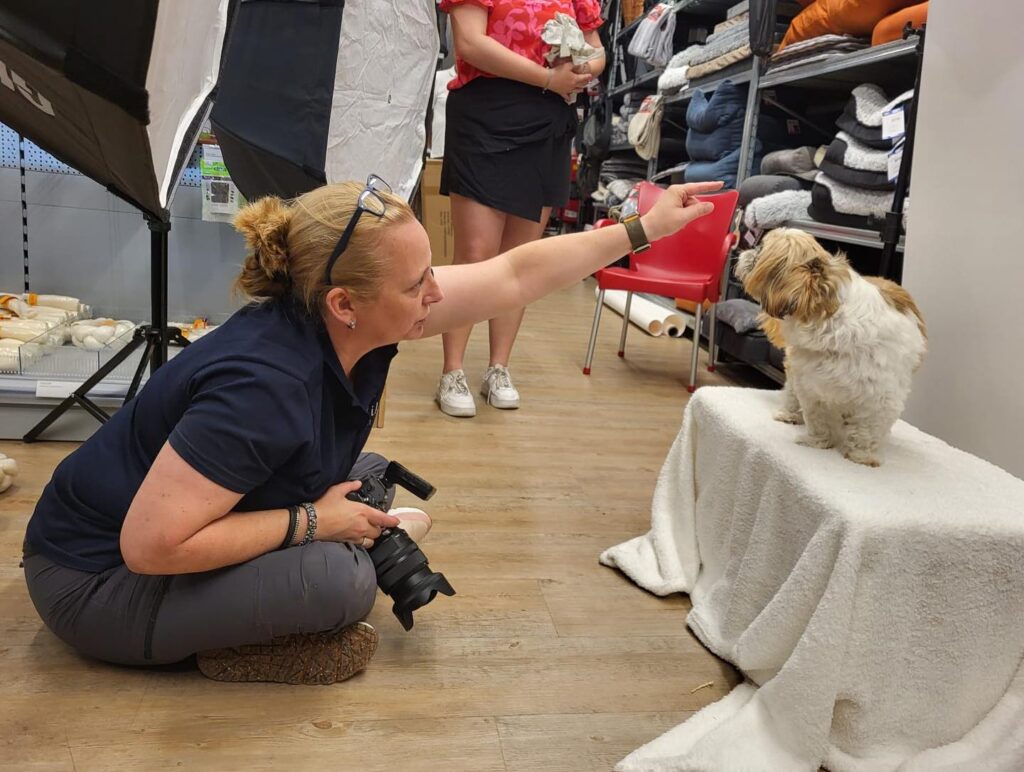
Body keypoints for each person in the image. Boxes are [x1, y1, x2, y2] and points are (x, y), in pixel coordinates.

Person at [22, 175, 722, 685]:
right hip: (94, 585)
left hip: (140, 537)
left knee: (371, 476)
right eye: (419, 282)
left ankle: (300, 559)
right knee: (339, 585)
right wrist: (311, 524)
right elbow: (148, 547)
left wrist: (641, 232)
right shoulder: (264, 388)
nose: (438, 293)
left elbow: (511, 276)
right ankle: (239, 647)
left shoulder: (350, 321)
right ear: (344, 302)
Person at [435, 0, 605, 417]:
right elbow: (470, 43)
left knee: (521, 258)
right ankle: (452, 370)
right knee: (474, 254)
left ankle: (499, 367)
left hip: (547, 122)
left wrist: (585, 66)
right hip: (487, 113)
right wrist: (548, 77)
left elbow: (597, 47)